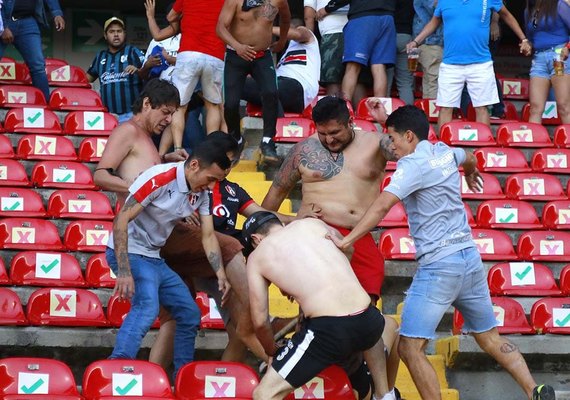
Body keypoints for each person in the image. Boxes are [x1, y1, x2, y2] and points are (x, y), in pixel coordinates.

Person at [330, 105, 557, 400]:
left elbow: (383, 205)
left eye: (393, 139)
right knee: (490, 338)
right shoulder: (444, 151)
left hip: (439, 266)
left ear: (409, 136)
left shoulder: (411, 166)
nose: (392, 148)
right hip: (470, 261)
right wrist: (472, 172)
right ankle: (534, 389)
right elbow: (469, 156)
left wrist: (347, 241)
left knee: (409, 347)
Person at [261, 96, 401, 390]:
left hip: (356, 238)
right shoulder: (304, 150)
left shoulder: (376, 143)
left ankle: (375, 391)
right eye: (322, 133)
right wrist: (290, 220)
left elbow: (413, 152)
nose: (328, 139)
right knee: (320, 319)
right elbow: (267, 206)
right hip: (314, 239)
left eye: (335, 132)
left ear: (350, 122)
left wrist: (387, 121)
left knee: (362, 322)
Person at [107, 141, 231, 377]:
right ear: (194, 165)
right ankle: (117, 370)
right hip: (129, 251)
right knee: (146, 308)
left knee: (189, 313)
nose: (212, 186)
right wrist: (123, 271)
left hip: (154, 257)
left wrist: (221, 274)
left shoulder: (202, 192)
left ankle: (182, 376)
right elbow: (121, 219)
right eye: (211, 178)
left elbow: (207, 235)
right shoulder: (160, 178)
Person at [243, 212, 395, 400]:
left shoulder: (258, 255)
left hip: (329, 329)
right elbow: (348, 249)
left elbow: (259, 322)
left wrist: (272, 352)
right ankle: (383, 394)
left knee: (264, 394)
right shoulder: (313, 224)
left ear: (256, 239)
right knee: (382, 332)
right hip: (369, 319)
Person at [407, 0, 531, 129]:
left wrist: (524, 39)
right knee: (445, 108)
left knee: (482, 108)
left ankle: (483, 146)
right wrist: (416, 42)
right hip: (451, 64)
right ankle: (443, 147)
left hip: (481, 63)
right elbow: (433, 22)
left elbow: (507, 15)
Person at [216, 0, 291, 163]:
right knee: (230, 104)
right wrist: (237, 46)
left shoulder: (277, 1)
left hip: (262, 56)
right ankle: (236, 139)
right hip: (236, 56)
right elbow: (220, 27)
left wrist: (282, 41)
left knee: (271, 93)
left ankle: (267, 141)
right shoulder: (235, 1)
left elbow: (286, 19)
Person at [93, 78, 188, 206]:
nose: (169, 120)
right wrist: (139, 188)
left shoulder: (146, 135)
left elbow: (139, 165)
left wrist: (165, 159)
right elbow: (100, 176)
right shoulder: (128, 131)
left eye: (172, 114)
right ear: (146, 103)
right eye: (165, 113)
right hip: (133, 222)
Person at [162, 0, 227, 151]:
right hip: (215, 55)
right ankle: (212, 148)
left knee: (179, 106)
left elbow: (171, 17)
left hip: (189, 53)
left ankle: (178, 148)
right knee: (213, 106)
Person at [317, 0, 396, 102]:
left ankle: (344, 110)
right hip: (387, 17)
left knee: (352, 67)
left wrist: (327, 8)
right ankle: (378, 112)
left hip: (363, 18)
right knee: (379, 67)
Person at [242, 19, 320, 115]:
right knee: (237, 82)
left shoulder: (309, 38)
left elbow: (297, 34)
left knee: (267, 87)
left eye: (284, 27)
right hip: (282, 88)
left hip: (298, 86)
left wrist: (264, 29)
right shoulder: (285, 56)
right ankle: (277, 122)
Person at [87, 17, 158, 123]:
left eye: (119, 31)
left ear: (124, 34)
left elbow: (148, 76)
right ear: (105, 36)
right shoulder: (100, 56)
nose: (116, 34)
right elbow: (86, 80)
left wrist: (138, 70)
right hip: (107, 116)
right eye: (111, 32)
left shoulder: (133, 52)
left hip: (132, 114)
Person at [0, 0, 65, 102]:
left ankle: (43, 106)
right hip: (4, 19)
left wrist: (56, 13)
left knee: (38, 65)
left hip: (27, 21)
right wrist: (2, 27)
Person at [524, 0, 570, 124]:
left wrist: (568, 47)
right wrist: (526, 44)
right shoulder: (529, 10)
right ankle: (533, 141)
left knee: (564, 106)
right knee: (535, 108)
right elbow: (531, 38)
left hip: (558, 56)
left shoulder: (559, 5)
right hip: (539, 59)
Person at [303, 0, 349, 95]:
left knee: (332, 80)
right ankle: (359, 109)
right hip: (357, 30)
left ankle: (333, 109)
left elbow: (309, 16)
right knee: (356, 77)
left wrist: (310, 42)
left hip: (332, 33)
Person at [412, 0, 443, 100]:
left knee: (432, 82)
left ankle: (433, 114)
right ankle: (429, 113)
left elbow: (437, 12)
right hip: (429, 42)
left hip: (432, 41)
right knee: (429, 81)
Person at [386, 0, 415, 105]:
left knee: (385, 80)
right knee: (405, 82)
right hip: (406, 36)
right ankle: (407, 115)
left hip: (387, 35)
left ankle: (384, 115)